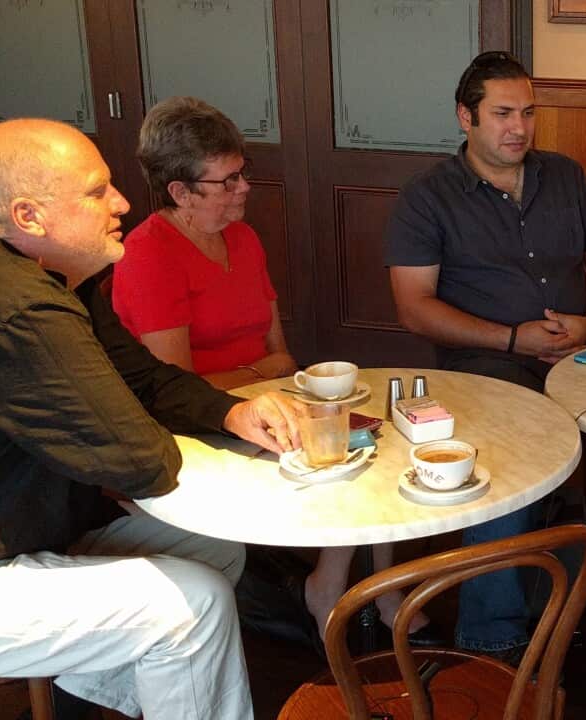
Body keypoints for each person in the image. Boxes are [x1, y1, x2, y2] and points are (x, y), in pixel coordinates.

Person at [0, 119, 306, 720]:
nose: (123, 202)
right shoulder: (18, 310)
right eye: (97, 191)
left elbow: (145, 379)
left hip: (1, 542)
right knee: (192, 602)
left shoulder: (50, 283)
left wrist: (234, 410)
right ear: (29, 217)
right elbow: (138, 461)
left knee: (215, 548)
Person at [385, 51, 586, 660]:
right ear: (465, 117)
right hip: (487, 362)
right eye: (501, 113)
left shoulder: (565, 176)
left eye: (527, 113)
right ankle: (491, 635)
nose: (518, 127)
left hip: (585, 354)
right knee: (505, 442)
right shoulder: (427, 197)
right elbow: (414, 307)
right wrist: (513, 338)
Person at [112, 96, 435, 646]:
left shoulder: (242, 237)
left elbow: (281, 356)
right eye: (228, 179)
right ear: (180, 192)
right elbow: (174, 387)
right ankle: (336, 589)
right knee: (338, 458)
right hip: (193, 426)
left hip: (262, 401)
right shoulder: (149, 256)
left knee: (372, 439)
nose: (244, 188)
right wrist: (256, 373)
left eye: (243, 173)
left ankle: (372, 588)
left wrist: (258, 373)